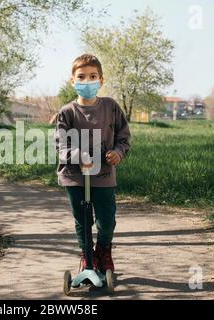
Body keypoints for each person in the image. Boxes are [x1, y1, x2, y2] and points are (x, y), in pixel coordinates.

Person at [55, 53, 132, 273]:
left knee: (107, 220)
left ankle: (103, 251)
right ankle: (87, 256)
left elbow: (123, 137)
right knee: (83, 220)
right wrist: (80, 156)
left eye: (92, 76)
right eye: (81, 77)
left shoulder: (111, 107)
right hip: (75, 176)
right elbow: (61, 146)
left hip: (104, 175)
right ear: (73, 81)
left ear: (101, 80)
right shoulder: (67, 112)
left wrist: (118, 152)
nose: (87, 81)